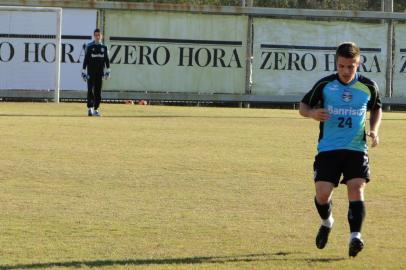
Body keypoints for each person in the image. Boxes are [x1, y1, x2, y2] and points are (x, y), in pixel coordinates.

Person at [299, 42, 382, 257]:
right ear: (336, 63)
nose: (346, 71)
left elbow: (376, 108)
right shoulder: (325, 85)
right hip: (329, 148)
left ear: (358, 64)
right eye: (342, 66)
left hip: (356, 148)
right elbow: (303, 106)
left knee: (356, 187)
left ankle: (355, 237)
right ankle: (327, 222)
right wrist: (312, 114)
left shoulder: (368, 86)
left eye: (351, 66)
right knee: (323, 194)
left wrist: (374, 129)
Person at [82, 28, 111, 116]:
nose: (97, 37)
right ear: (94, 36)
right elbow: (86, 60)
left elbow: (107, 60)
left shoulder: (104, 48)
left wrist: (108, 71)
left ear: (101, 36)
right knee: (90, 91)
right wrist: (83, 71)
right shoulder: (90, 47)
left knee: (98, 92)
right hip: (90, 73)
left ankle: (96, 109)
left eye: (99, 35)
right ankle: (90, 109)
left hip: (100, 73)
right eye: (96, 35)